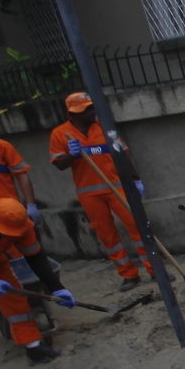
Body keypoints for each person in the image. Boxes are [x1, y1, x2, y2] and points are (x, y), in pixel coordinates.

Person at [49, 93, 153, 292]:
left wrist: (135, 178)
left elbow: (122, 154)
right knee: (108, 236)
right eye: (86, 109)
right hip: (89, 194)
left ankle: (155, 269)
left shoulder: (106, 129)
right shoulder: (60, 134)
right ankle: (129, 275)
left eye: (91, 107)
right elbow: (59, 165)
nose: (91, 112)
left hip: (117, 188)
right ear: (72, 113)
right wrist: (71, 155)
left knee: (138, 227)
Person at [0, 196, 74, 365]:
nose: (9, 236)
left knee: (14, 300)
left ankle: (34, 348)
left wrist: (57, 287)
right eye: (4, 233)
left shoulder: (21, 225)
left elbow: (35, 257)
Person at [0, 112, 42, 331]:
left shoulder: (0, 147)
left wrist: (30, 204)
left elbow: (21, 174)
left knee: (19, 267)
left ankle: (29, 305)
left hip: (9, 219)